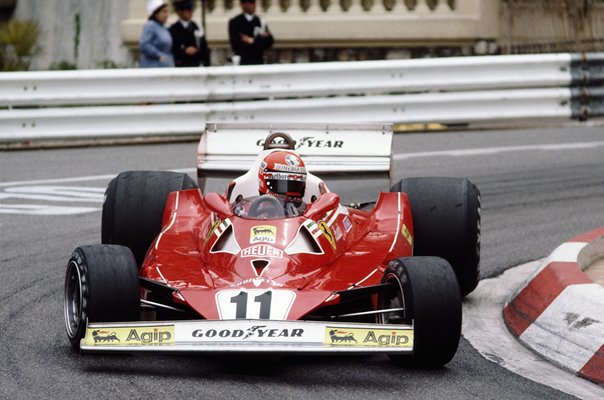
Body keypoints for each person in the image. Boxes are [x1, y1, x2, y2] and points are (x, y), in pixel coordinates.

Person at [257, 151, 307, 216]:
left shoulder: (306, 212)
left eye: (296, 184)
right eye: (283, 183)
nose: (290, 190)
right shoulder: (246, 211)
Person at [228, 0, 274, 65]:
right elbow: (236, 45)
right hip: (243, 61)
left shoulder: (259, 20)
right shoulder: (235, 22)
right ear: (243, 5)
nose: (254, 5)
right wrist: (259, 41)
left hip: (259, 60)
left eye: (254, 3)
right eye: (251, 3)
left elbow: (269, 41)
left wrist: (252, 41)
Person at [169, 0, 210, 67]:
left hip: (196, 64)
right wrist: (184, 51)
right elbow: (173, 49)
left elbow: (203, 47)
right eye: (187, 10)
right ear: (180, 12)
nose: (190, 12)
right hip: (181, 65)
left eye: (191, 9)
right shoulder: (174, 29)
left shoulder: (196, 26)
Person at [139, 0, 174, 68]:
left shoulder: (163, 27)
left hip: (165, 66)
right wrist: (158, 55)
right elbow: (144, 44)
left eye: (167, 11)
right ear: (156, 13)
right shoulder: (150, 25)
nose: (167, 14)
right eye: (164, 12)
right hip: (153, 67)